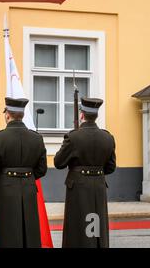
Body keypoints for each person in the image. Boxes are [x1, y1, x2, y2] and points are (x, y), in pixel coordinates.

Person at [0, 97, 47, 248]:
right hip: (28, 188)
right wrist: (28, 177)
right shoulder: (36, 138)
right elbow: (42, 169)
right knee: (29, 232)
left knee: (7, 234)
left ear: (7, 115)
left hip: (5, 189)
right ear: (23, 115)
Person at [54, 97, 116, 248]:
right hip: (99, 186)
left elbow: (59, 163)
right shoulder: (108, 137)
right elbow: (111, 167)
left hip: (78, 187)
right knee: (95, 223)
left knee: (78, 227)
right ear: (96, 116)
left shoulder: (73, 137)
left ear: (82, 115)